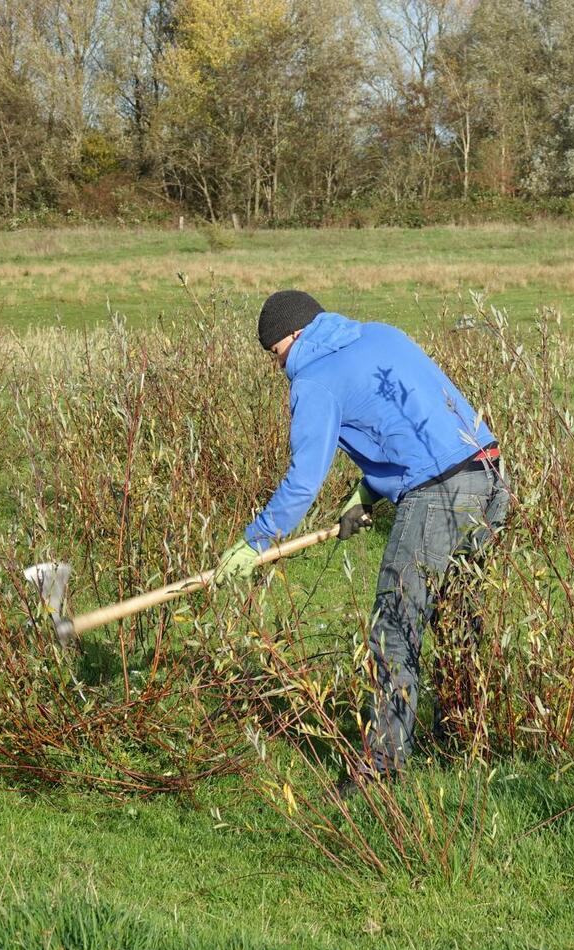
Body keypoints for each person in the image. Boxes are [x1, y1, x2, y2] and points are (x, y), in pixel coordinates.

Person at [214, 290, 510, 783]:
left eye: (275, 353)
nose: (278, 365)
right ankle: (465, 742)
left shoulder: (313, 379)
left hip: (438, 492)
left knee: (394, 627)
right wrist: (368, 493)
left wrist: (257, 540)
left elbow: (303, 479)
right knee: (459, 618)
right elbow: (416, 420)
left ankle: (381, 768)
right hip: (490, 471)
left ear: (294, 337)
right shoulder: (380, 334)